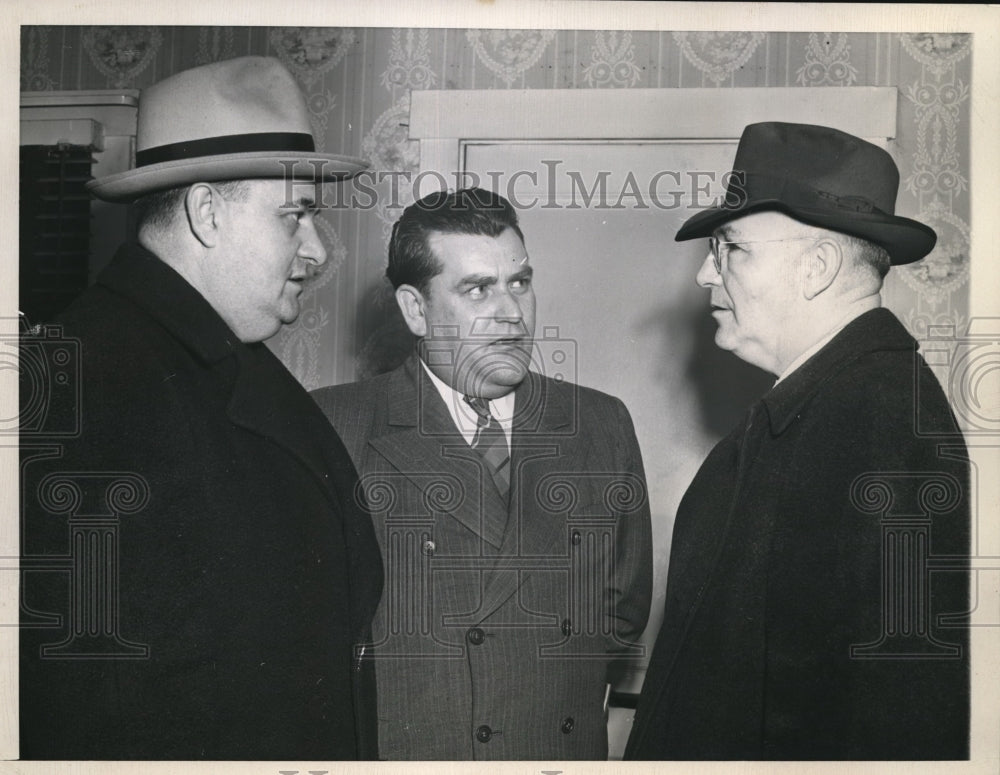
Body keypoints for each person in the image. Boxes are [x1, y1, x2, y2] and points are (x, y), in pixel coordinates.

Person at [19, 56, 383, 760]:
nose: (316, 248)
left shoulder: (214, 352)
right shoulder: (86, 389)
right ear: (206, 212)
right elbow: (80, 711)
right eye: (295, 216)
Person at [625, 122, 970, 760]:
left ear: (816, 266)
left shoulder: (879, 424)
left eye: (731, 247)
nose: (705, 273)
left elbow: (894, 717)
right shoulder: (830, 402)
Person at [311, 188, 653, 760]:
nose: (512, 312)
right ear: (415, 310)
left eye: (519, 283)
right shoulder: (336, 424)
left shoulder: (600, 422)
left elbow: (622, 609)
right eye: (477, 289)